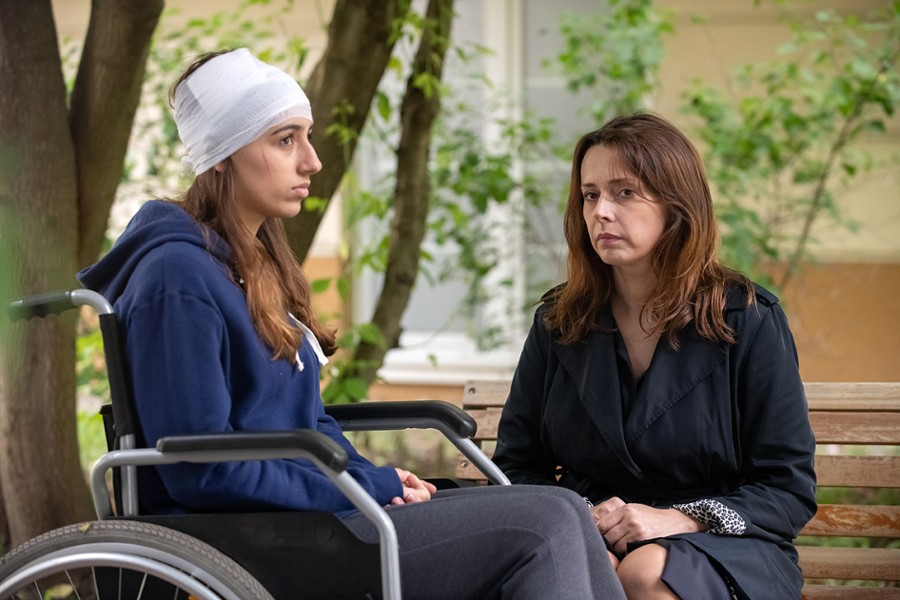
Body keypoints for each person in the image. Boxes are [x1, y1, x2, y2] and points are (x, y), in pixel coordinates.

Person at [77, 48, 626, 600]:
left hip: (307, 519)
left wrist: (374, 479)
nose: (312, 161)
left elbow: (306, 423)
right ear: (222, 154)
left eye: (307, 137)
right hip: (254, 537)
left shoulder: (248, 267)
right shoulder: (176, 277)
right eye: (285, 140)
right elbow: (200, 468)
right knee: (544, 525)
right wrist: (362, 488)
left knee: (563, 509)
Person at [492, 113, 817, 600]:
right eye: (590, 195)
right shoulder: (560, 322)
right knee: (587, 565)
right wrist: (583, 518)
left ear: (676, 205)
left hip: (724, 543)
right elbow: (517, 467)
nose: (601, 212)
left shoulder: (747, 318)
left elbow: (786, 487)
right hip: (595, 531)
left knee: (646, 572)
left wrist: (678, 518)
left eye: (624, 192)